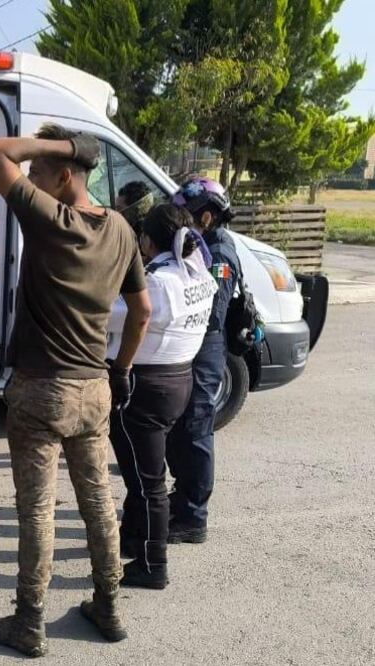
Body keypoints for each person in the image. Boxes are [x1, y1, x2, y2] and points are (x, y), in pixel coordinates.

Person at [0, 124, 151, 656]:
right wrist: (120, 369)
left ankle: (29, 621)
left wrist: (65, 144)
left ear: (64, 173)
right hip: (94, 386)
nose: (29, 178)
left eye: (40, 172)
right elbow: (141, 310)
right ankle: (108, 605)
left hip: (41, 389)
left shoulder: (50, 219)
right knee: (98, 500)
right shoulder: (120, 227)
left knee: (38, 511)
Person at [106, 204, 217, 590]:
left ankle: (154, 564)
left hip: (144, 386)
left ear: (148, 241)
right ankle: (134, 538)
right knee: (145, 474)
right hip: (178, 379)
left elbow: (109, 315)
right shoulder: (199, 272)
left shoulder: (159, 282)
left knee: (148, 481)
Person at [166, 176, 240, 545]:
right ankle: (181, 499)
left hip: (205, 347)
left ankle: (193, 518)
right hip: (191, 344)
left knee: (196, 430)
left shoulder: (220, 252)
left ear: (206, 217)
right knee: (179, 429)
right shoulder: (201, 244)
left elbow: (212, 312)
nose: (183, 220)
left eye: (187, 213)